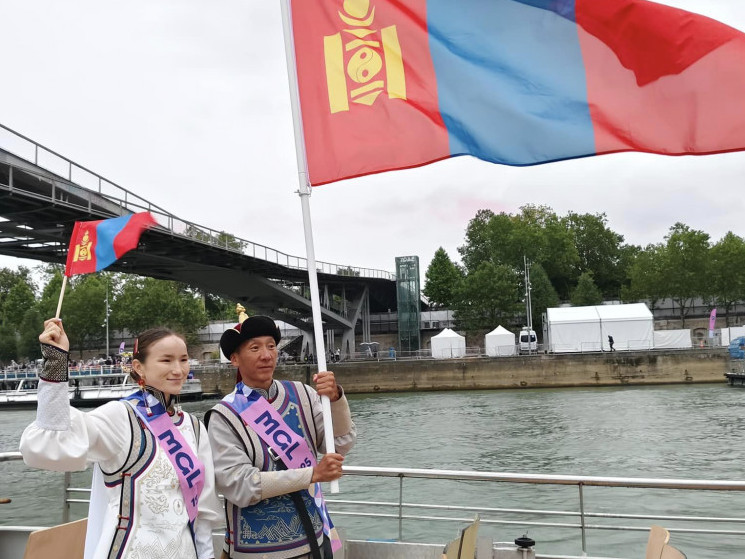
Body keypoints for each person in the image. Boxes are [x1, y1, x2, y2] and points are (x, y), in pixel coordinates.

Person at [20, 318, 221, 559]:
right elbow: (53, 441)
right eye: (166, 360)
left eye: (184, 359)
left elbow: (202, 515)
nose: (178, 370)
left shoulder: (195, 428)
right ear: (138, 366)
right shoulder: (120, 416)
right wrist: (56, 361)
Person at [206, 315, 356, 559]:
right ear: (234, 358)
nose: (266, 355)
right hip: (258, 550)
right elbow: (239, 485)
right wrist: (312, 474)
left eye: (271, 346)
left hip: (315, 538)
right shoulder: (224, 415)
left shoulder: (303, 394)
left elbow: (339, 445)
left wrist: (336, 400)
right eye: (255, 348)